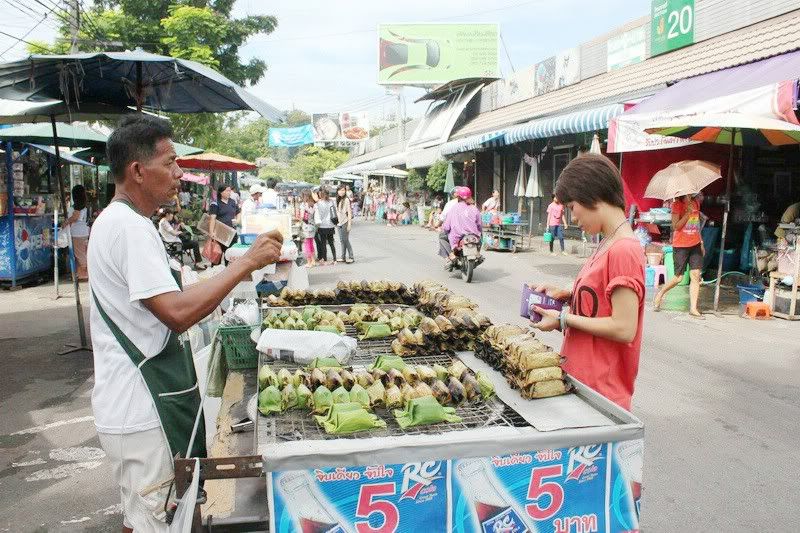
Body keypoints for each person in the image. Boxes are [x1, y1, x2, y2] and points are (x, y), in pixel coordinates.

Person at [87, 114, 282, 532]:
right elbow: (176, 313)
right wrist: (245, 264)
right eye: (171, 163)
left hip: (138, 405)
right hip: (142, 406)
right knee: (156, 522)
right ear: (138, 171)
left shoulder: (124, 222)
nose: (180, 174)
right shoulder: (128, 227)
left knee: (144, 517)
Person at [530, 154, 645, 411]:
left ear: (592, 196)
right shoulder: (607, 243)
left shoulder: (624, 249)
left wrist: (563, 319)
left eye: (572, 207)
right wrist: (568, 296)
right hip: (582, 383)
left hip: (601, 394)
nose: (572, 218)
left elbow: (624, 327)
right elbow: (603, 302)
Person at [653, 194, 706, 318]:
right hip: (681, 245)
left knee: (695, 276)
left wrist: (701, 242)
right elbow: (676, 226)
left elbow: (697, 225)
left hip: (695, 244)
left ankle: (693, 308)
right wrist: (687, 214)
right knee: (678, 278)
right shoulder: (676, 205)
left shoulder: (695, 203)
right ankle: (661, 293)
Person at [440, 187, 482, 265]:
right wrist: (479, 231)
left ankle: (451, 255)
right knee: (480, 236)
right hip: (473, 236)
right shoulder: (474, 208)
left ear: (458, 197)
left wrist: (445, 229)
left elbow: (446, 226)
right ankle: (477, 253)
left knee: (441, 237)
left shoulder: (453, 208)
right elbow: (479, 224)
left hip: (456, 237)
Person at [63, 184, 90, 281]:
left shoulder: (77, 208)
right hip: (84, 232)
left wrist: (65, 223)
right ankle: (80, 273)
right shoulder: (85, 207)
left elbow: (75, 217)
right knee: (82, 253)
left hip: (77, 234)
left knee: (79, 255)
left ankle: (84, 274)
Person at [208, 185, 240, 263]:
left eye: (230, 191)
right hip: (219, 233)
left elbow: (238, 212)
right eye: (227, 191)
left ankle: (229, 272)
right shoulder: (215, 203)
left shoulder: (232, 202)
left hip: (231, 233)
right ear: (221, 192)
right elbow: (212, 219)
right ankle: (215, 273)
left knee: (230, 256)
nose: (229, 192)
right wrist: (211, 232)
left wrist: (238, 220)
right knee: (217, 257)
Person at [314, 188, 337, 264]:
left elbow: (317, 215)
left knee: (323, 243)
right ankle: (335, 259)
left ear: (321, 195)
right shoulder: (331, 202)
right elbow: (334, 212)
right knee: (331, 243)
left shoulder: (318, 203)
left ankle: (325, 259)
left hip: (322, 225)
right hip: (330, 225)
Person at [335, 184, 355, 263]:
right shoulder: (338, 199)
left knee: (345, 240)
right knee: (342, 240)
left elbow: (349, 212)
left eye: (343, 190)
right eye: (340, 190)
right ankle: (343, 257)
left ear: (345, 191)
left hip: (345, 222)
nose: (341, 192)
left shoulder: (346, 199)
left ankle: (351, 257)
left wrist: (349, 224)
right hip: (339, 223)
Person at [299, 190, 317, 267]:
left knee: (307, 245)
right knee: (311, 244)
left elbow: (302, 216)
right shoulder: (312, 204)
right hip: (312, 226)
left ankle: (309, 262)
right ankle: (313, 261)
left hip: (306, 227)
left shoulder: (304, 205)